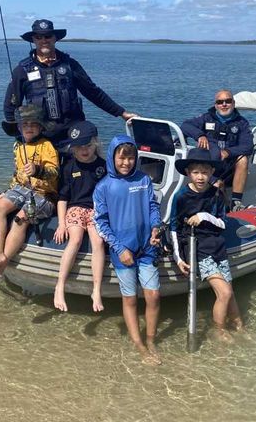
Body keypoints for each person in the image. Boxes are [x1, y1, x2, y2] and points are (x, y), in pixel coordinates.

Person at [2, 19, 138, 147]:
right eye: (39, 37)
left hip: (72, 134)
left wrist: (121, 113)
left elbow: (93, 92)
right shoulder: (22, 70)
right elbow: (11, 106)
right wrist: (20, 136)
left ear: (55, 38)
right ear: (33, 39)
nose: (44, 40)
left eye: (48, 36)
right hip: (41, 136)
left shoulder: (70, 65)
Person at [93, 135, 163, 365]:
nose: (126, 163)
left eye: (131, 158)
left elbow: (153, 206)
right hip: (122, 250)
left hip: (147, 247)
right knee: (130, 299)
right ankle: (139, 345)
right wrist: (120, 248)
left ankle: (151, 339)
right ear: (112, 158)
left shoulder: (144, 179)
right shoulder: (103, 187)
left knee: (153, 296)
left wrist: (155, 227)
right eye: (121, 158)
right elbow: (101, 223)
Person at [0, 105, 59, 279]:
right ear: (19, 127)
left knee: (20, 218)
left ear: (40, 127)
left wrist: (38, 169)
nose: (28, 127)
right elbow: (17, 174)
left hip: (44, 195)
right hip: (21, 189)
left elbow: (55, 173)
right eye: (24, 124)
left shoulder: (47, 146)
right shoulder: (18, 145)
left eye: (33, 124)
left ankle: (3, 261)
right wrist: (8, 191)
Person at [170, 148, 243, 340]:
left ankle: (239, 324)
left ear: (211, 172)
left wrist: (203, 216)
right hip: (198, 249)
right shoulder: (180, 197)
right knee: (224, 293)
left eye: (204, 172)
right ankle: (219, 330)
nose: (200, 177)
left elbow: (223, 223)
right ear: (188, 173)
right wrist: (178, 258)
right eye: (196, 172)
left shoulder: (217, 195)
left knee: (230, 293)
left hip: (218, 247)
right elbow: (173, 228)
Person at [53, 121, 107, 313]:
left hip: (95, 210)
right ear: (72, 148)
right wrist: (61, 224)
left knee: (98, 242)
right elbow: (62, 198)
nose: (84, 150)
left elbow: (109, 195)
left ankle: (96, 289)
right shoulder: (69, 167)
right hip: (75, 208)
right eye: (79, 147)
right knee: (74, 239)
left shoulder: (103, 166)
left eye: (88, 145)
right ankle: (60, 286)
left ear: (96, 144)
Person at [180, 89, 253, 210]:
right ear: (215, 105)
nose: (224, 105)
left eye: (228, 101)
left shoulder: (242, 123)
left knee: (243, 159)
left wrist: (228, 152)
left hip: (229, 166)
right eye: (220, 102)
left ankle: (236, 202)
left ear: (233, 103)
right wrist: (200, 135)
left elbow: (248, 145)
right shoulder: (206, 118)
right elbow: (185, 125)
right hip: (209, 165)